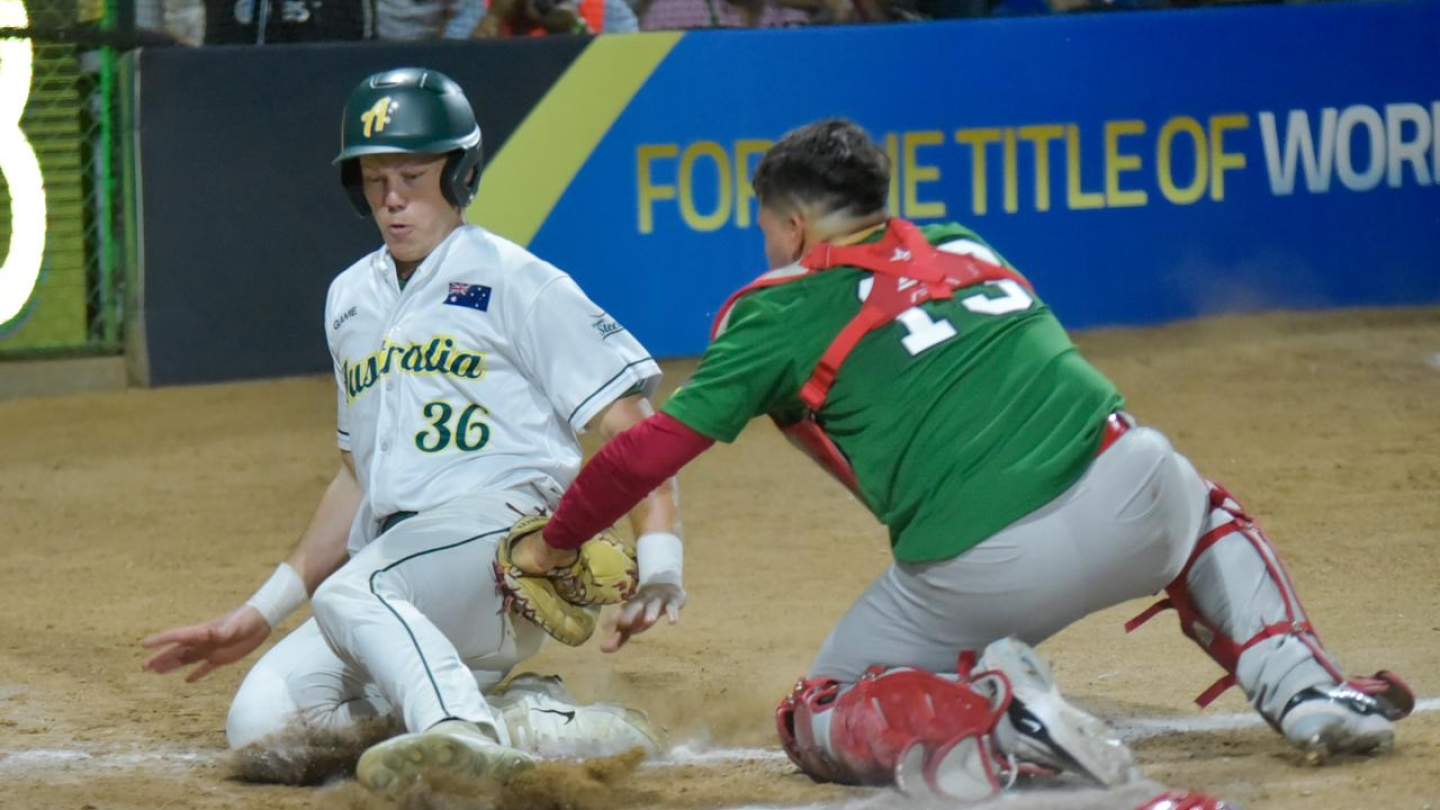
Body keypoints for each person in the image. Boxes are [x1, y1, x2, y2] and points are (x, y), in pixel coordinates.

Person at [507, 119, 1415, 800]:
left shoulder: (773, 313)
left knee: (818, 708)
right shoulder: (961, 240)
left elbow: (644, 453)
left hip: (987, 570)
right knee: (1199, 508)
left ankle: (1001, 726)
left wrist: (558, 540)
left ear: (793, 225)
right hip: (1139, 485)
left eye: (768, 228)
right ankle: (1310, 690)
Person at [140, 67, 685, 797]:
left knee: (353, 592)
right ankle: (527, 718)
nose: (392, 198)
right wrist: (260, 612)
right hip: (400, 576)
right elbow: (356, 478)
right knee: (267, 725)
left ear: (461, 175)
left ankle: (458, 729)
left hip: (502, 550)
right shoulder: (350, 298)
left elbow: (633, 430)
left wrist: (662, 558)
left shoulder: (520, 282)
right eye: (374, 179)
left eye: (413, 176)